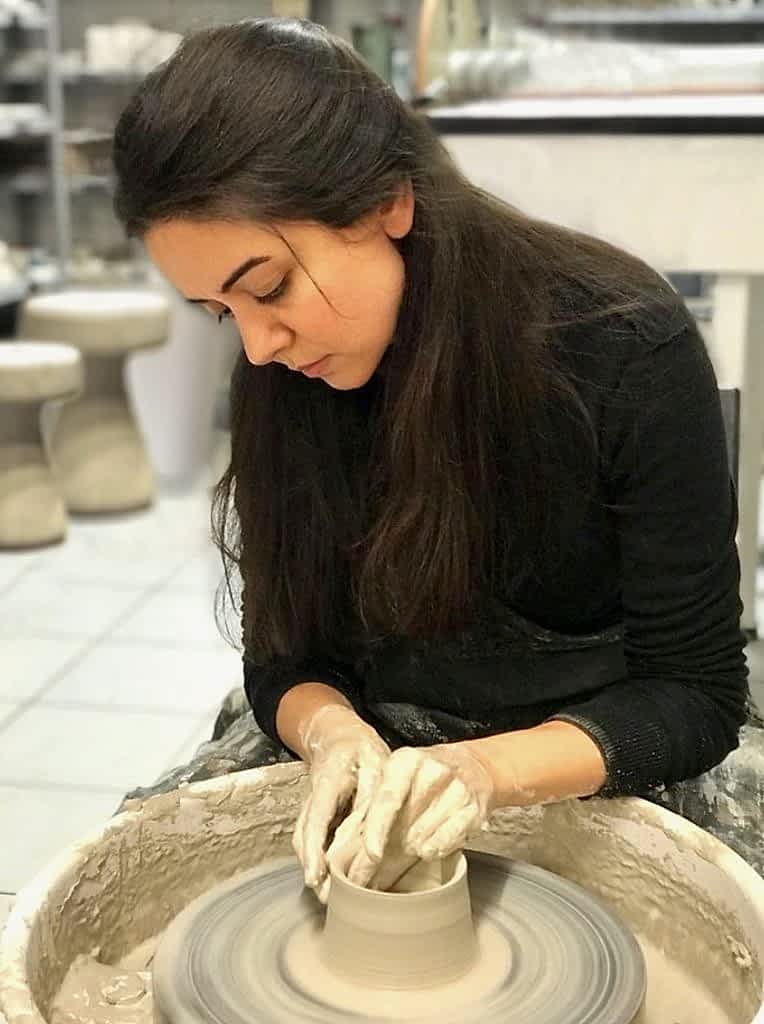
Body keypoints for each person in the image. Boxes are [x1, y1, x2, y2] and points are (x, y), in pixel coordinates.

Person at [112, 17, 756, 897]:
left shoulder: (623, 347)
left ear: (388, 203)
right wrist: (333, 734)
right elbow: (283, 658)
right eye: (224, 313)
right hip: (379, 737)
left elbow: (696, 691)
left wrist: (483, 771)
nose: (258, 346)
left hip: (589, 746)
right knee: (143, 866)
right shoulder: (283, 371)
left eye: (269, 287)